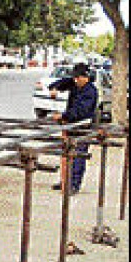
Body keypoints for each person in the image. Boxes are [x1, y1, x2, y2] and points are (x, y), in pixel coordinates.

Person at [48, 62, 98, 195]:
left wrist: (63, 115)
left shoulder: (90, 91)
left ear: (85, 77)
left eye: (78, 78)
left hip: (83, 127)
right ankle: (65, 180)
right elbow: (63, 82)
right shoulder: (75, 84)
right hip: (71, 126)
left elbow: (80, 111)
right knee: (66, 154)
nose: (75, 80)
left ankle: (74, 185)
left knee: (77, 156)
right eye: (74, 78)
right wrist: (54, 88)